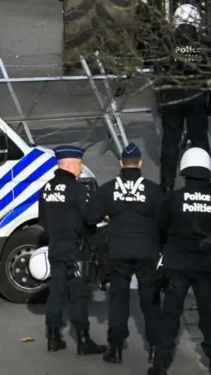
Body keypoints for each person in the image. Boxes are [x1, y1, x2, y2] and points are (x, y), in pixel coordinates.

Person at [84, 142, 163, 365]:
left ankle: (116, 348)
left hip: (118, 252)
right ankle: (155, 348)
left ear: (120, 163)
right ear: (140, 163)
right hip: (147, 251)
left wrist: (108, 216)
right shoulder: (153, 190)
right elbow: (166, 220)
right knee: (150, 301)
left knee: (118, 301)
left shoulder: (108, 189)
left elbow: (90, 217)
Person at [152, 148, 211, 375]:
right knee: (209, 315)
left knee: (170, 314)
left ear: (185, 170)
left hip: (177, 263)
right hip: (207, 263)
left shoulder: (173, 198)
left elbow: (163, 226)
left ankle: (160, 363)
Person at [39, 144, 107, 356]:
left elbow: (43, 220)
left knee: (56, 293)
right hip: (76, 249)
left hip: (55, 247)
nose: (82, 167)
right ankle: (84, 341)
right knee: (79, 295)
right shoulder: (78, 188)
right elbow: (90, 218)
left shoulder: (47, 188)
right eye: (80, 163)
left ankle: (53, 338)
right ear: (69, 164)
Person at [155, 4, 211, 192]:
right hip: (198, 94)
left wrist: (160, 100)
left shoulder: (166, 43)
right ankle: (202, 182)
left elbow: (158, 74)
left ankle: (167, 183)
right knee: (199, 139)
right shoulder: (206, 44)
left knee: (170, 140)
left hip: (172, 95)